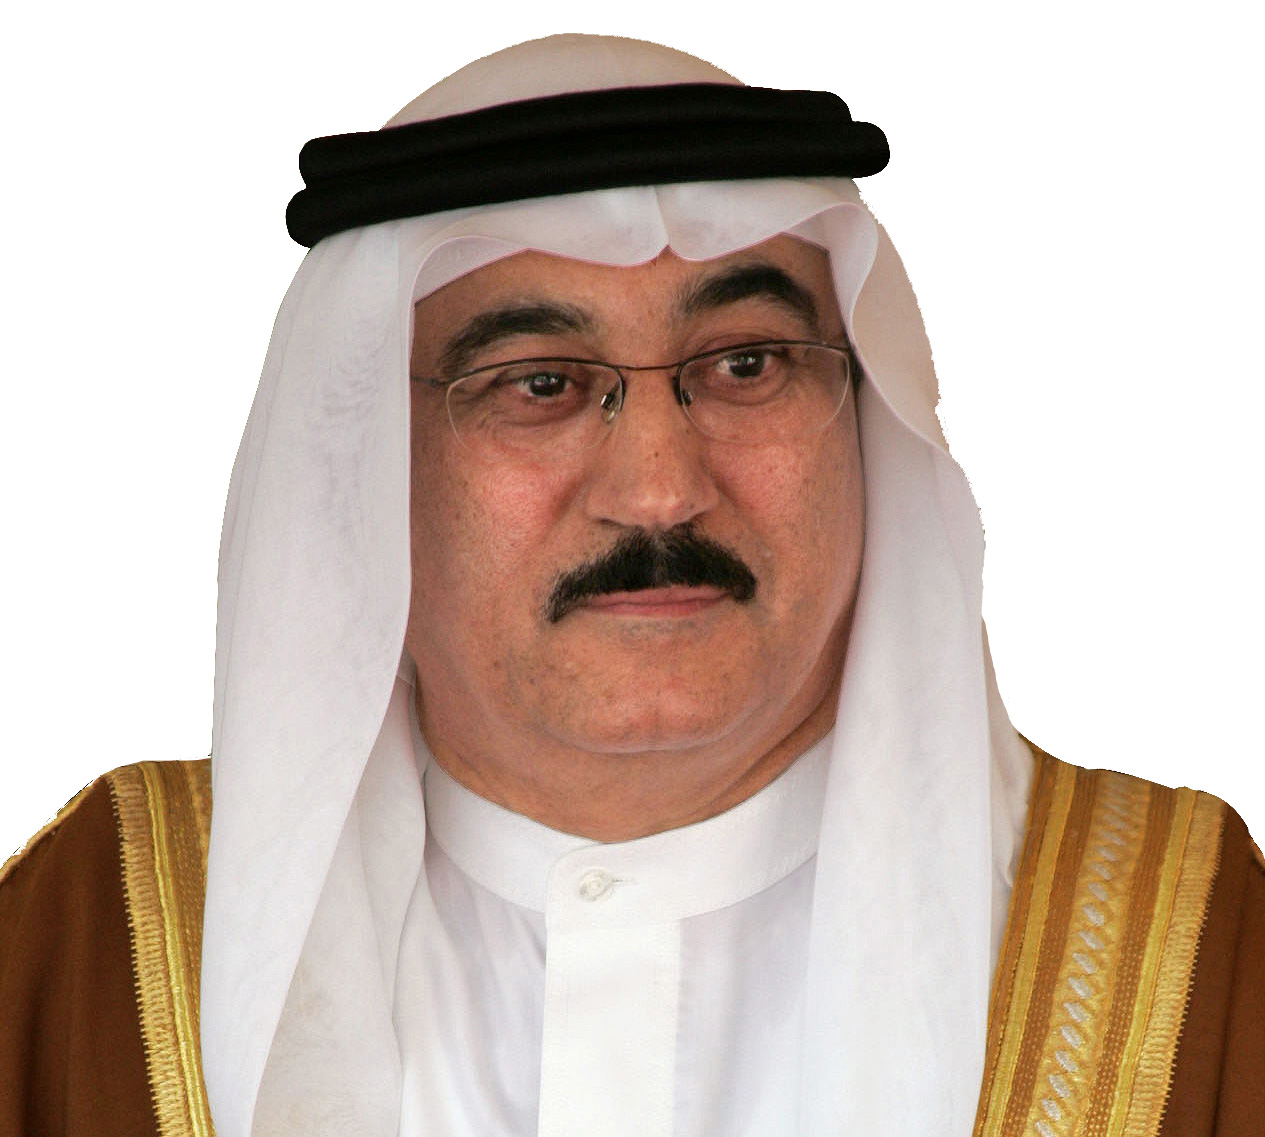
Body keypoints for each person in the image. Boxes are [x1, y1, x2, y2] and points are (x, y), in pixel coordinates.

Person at [1, 33, 1260, 1137]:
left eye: (746, 364)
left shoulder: (1204, 958)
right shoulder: (84, 952)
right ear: (364, 461)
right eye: (539, 384)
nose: (658, 490)